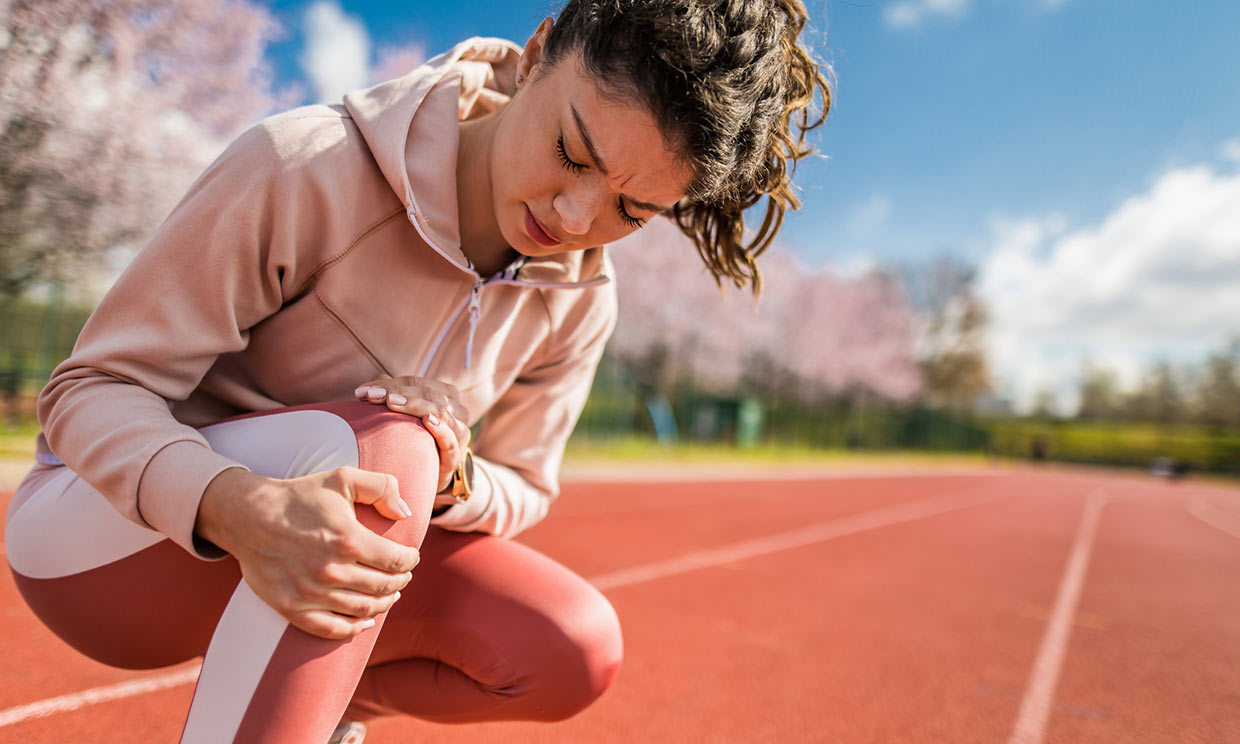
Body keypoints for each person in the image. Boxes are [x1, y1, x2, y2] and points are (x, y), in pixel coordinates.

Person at [3, 0, 831, 741]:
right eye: (572, 152)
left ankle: (321, 709)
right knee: (389, 451)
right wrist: (233, 504)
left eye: (631, 210)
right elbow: (86, 394)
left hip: (319, 567)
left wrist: (457, 475)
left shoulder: (580, 302)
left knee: (571, 644)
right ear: (538, 51)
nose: (576, 218)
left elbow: (524, 484)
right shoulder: (305, 165)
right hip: (105, 546)